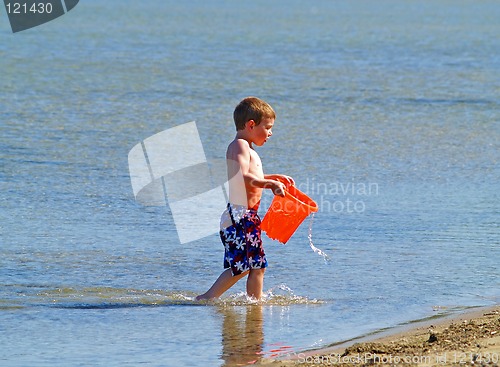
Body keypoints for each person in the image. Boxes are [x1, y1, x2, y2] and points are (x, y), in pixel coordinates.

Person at [196, 97, 294, 301]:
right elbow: (240, 177)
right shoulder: (239, 145)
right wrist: (270, 184)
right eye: (268, 127)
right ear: (251, 124)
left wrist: (274, 178)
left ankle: (252, 304)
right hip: (239, 216)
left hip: (247, 216)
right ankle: (210, 299)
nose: (270, 133)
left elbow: (253, 177)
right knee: (246, 266)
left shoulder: (248, 148)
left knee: (254, 265)